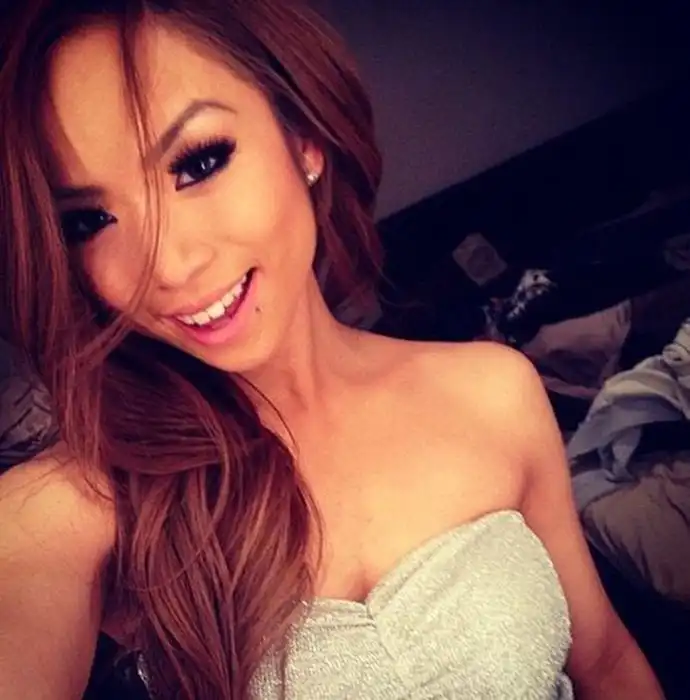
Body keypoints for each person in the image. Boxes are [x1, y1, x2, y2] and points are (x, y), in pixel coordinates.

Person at [0, 1, 663, 698]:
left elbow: (605, 661)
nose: (167, 266)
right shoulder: (91, 500)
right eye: (90, 220)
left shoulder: (496, 392)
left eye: (198, 162)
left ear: (305, 140)